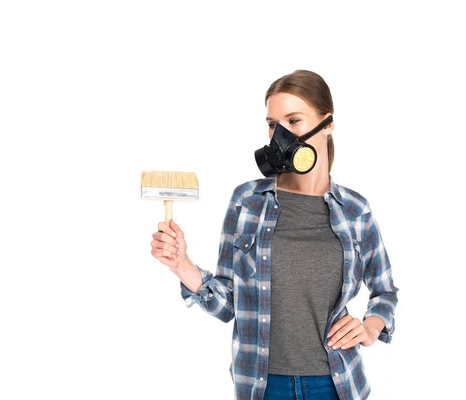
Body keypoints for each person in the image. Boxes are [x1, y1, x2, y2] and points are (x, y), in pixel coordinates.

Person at [149, 70, 399, 400]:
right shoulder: (247, 201)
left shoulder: (355, 209)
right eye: (272, 124)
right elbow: (227, 303)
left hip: (337, 384)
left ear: (328, 124)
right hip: (263, 385)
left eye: (294, 121)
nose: (280, 134)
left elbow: (384, 291)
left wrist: (369, 329)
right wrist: (181, 264)